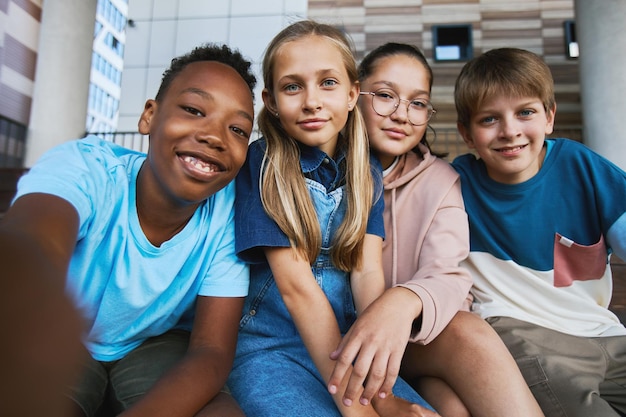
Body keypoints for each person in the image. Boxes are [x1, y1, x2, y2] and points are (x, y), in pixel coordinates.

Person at [0, 43, 257, 417]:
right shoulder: (86, 168)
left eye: (237, 129)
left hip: (157, 344)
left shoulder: (228, 212)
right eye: (193, 110)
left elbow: (211, 351)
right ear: (149, 116)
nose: (215, 136)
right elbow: (33, 244)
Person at [228, 21, 435, 417]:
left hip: (344, 345)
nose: (311, 101)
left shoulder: (365, 170)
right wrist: (355, 404)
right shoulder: (262, 163)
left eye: (327, 83)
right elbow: (297, 291)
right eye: (292, 87)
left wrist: (381, 393)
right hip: (268, 349)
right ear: (270, 101)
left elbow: (367, 272)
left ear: (353, 93)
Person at [327, 42, 545, 417]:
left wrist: (401, 301)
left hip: (407, 338)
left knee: (464, 331)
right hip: (323, 336)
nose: (401, 114)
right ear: (353, 96)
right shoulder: (317, 172)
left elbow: (447, 274)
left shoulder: (439, 180)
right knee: (451, 408)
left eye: (417, 103)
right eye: (384, 96)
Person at [451, 47, 626, 417]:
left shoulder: (580, 165)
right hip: (524, 334)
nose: (510, 131)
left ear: (548, 117)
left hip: (606, 331)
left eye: (525, 112)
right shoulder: (454, 182)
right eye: (489, 120)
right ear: (466, 134)